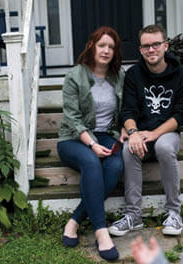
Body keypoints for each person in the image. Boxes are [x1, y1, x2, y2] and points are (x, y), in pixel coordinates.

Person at [109, 24, 183, 237]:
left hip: (166, 133)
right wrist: (134, 132)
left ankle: (174, 213)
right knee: (129, 149)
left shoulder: (181, 74)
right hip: (141, 132)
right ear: (140, 50)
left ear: (165, 46)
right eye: (146, 46)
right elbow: (127, 109)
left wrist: (155, 133)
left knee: (165, 147)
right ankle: (133, 216)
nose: (151, 50)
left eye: (156, 44)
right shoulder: (134, 74)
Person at [57, 26, 125, 261]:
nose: (106, 50)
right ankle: (101, 231)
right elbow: (72, 118)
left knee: (116, 166)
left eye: (111, 47)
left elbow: (126, 109)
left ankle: (75, 220)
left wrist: (125, 130)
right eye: (102, 45)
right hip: (73, 139)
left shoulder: (119, 76)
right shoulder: (75, 75)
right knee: (92, 162)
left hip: (107, 135)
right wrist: (92, 144)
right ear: (92, 46)